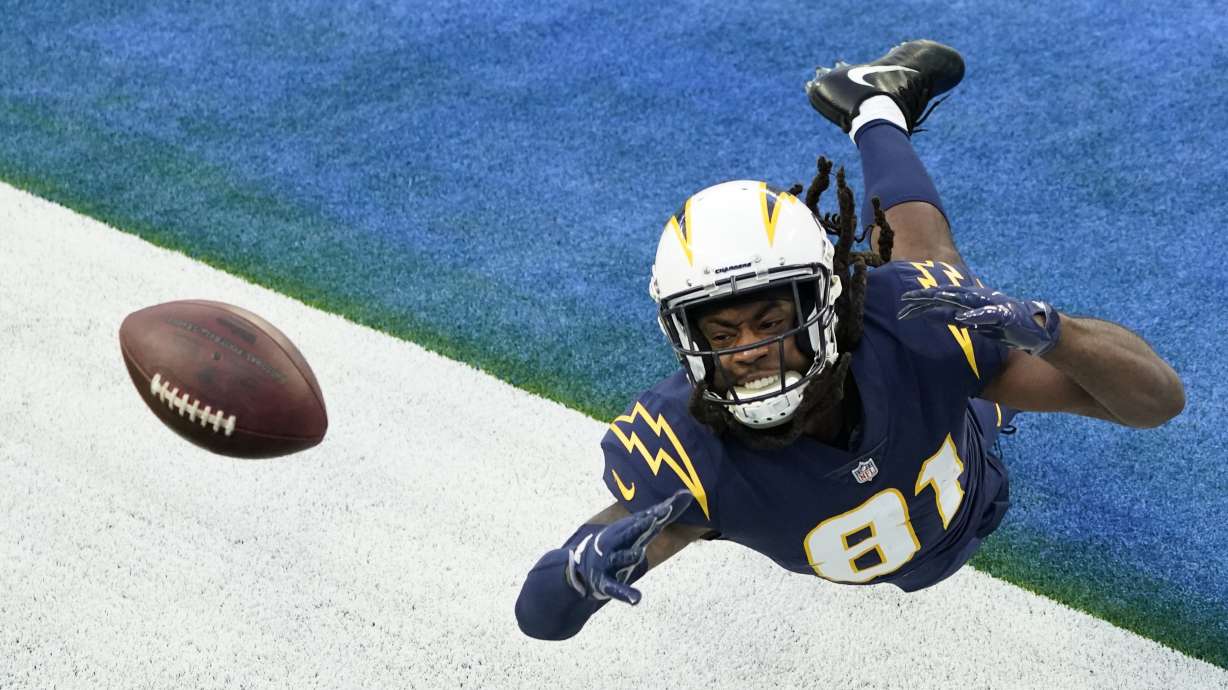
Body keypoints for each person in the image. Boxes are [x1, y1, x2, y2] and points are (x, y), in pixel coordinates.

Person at [514, 40, 1185, 641]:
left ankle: (876, 114)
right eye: (720, 331)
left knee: (932, 277)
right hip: (923, 487)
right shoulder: (691, 452)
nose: (747, 348)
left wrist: (1053, 331)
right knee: (930, 276)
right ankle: (876, 107)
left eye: (771, 322)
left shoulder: (909, 339)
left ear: (826, 302)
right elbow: (540, 617)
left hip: (969, 457)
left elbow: (1156, 403)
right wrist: (573, 577)